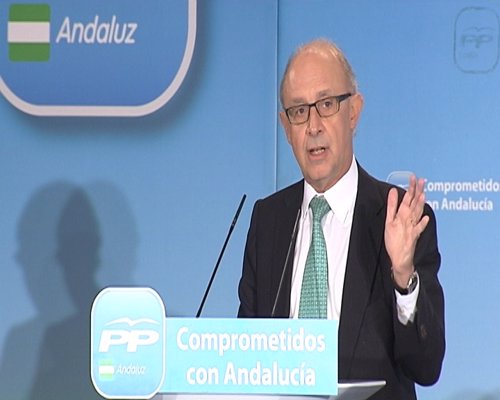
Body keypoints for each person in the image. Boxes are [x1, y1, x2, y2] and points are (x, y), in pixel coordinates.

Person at [237, 38, 445, 400]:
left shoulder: (399, 217)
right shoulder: (267, 221)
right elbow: (246, 355)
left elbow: (426, 368)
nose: (313, 125)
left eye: (326, 104)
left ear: (353, 112)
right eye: (299, 111)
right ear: (286, 128)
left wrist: (403, 277)